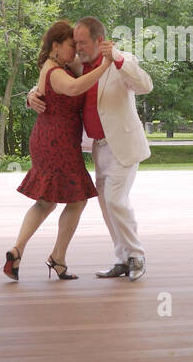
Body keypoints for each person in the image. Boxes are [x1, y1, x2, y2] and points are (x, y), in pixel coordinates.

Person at [28, 16, 153, 281]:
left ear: (99, 41)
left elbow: (145, 85)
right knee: (107, 206)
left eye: (82, 43)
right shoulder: (79, 66)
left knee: (116, 200)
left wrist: (116, 58)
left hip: (123, 143)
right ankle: (122, 259)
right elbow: (56, 83)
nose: (78, 48)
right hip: (99, 148)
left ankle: (137, 255)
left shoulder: (122, 60)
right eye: (75, 43)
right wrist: (32, 96)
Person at [6, 20, 114, 281]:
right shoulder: (55, 71)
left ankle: (18, 251)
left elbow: (73, 75)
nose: (75, 51)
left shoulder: (57, 66)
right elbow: (75, 87)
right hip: (56, 141)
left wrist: (32, 94)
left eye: (78, 45)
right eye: (70, 45)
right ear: (56, 46)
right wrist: (106, 65)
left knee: (46, 201)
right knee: (75, 199)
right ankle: (57, 257)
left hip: (53, 138)